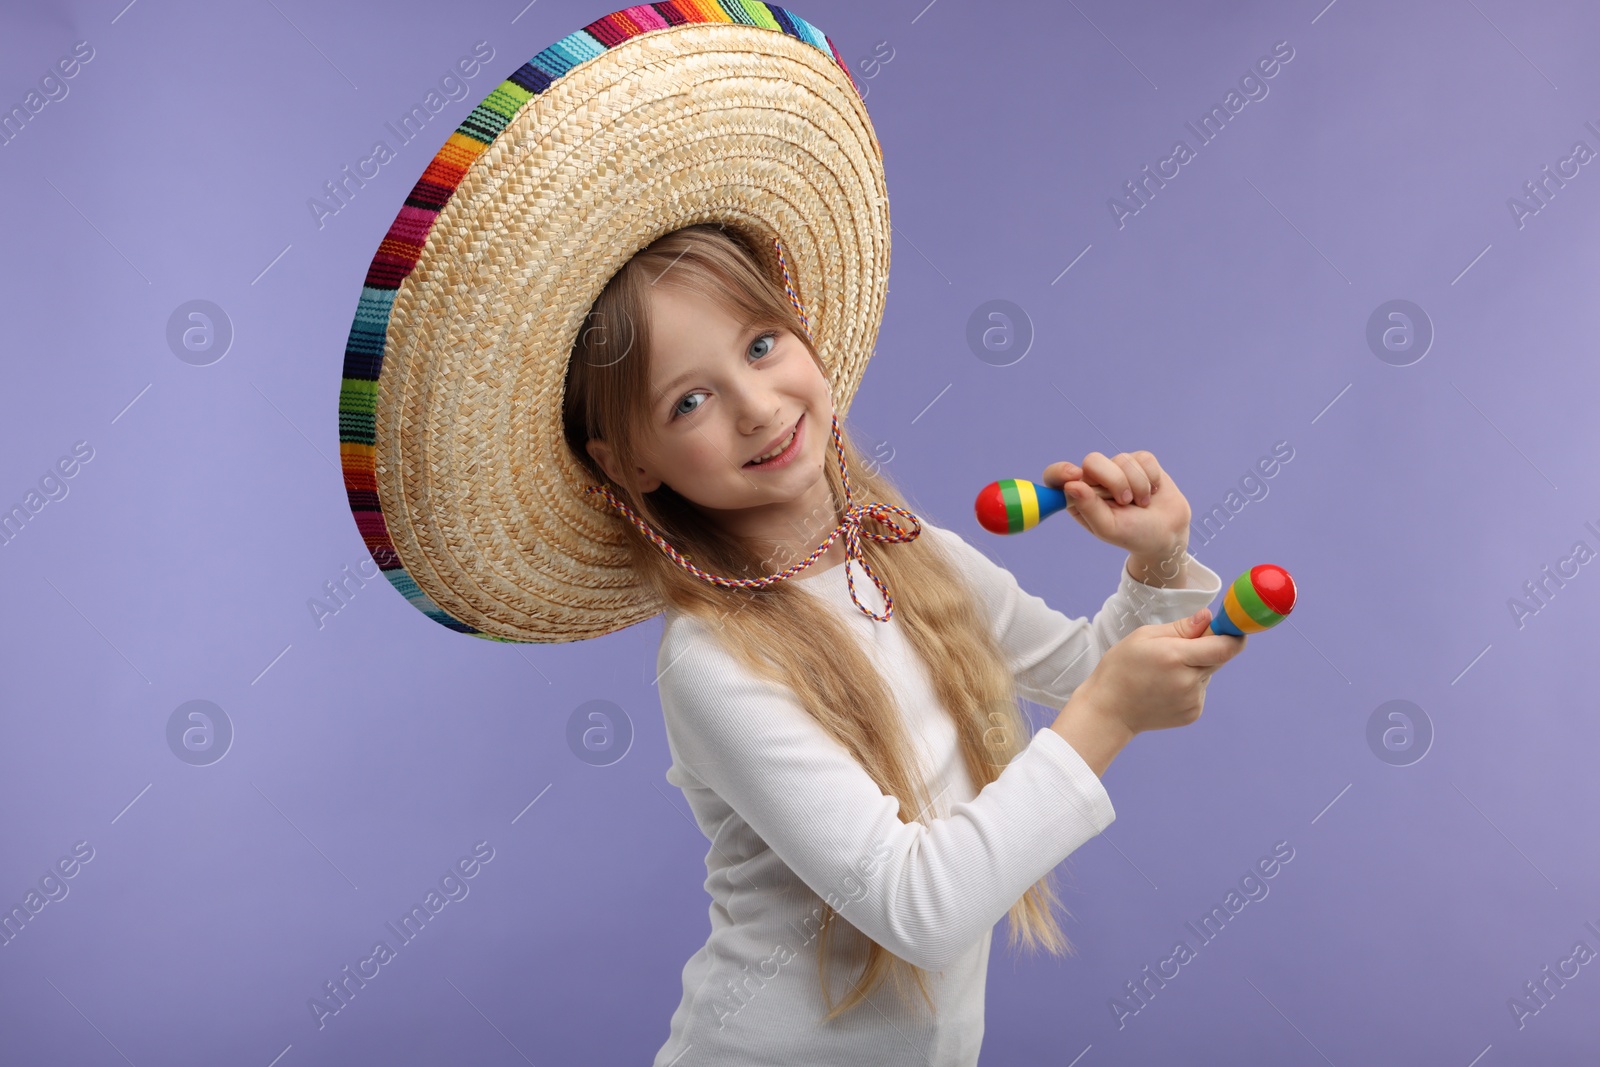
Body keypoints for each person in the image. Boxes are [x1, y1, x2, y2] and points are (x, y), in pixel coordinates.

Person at [335, 6, 1246, 1063]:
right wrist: (1104, 714)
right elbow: (919, 902)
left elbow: (1103, 668)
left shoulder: (917, 555)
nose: (759, 406)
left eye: (763, 344)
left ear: (805, 329)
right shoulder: (713, 660)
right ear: (629, 463)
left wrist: (1159, 561)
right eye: (687, 402)